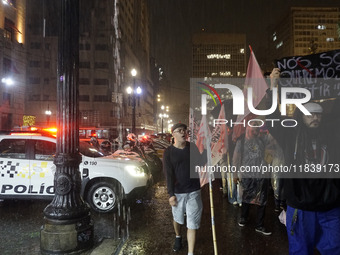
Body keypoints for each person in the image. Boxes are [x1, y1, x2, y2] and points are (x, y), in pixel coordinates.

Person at [267, 68, 340, 255]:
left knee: (334, 249)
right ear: (301, 115)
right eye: (310, 114)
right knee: (300, 251)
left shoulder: (332, 134)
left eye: (318, 114)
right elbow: (272, 118)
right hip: (301, 208)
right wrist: (273, 87)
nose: (315, 117)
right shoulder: (291, 134)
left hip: (330, 206)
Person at [163, 123, 206, 255]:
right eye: (180, 130)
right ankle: (178, 236)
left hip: (193, 190)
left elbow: (199, 163)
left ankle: (190, 252)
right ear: (173, 134)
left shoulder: (191, 147)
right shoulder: (168, 152)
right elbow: (168, 174)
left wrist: (207, 151)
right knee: (178, 219)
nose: (183, 132)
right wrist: (171, 194)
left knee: (192, 223)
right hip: (178, 192)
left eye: (184, 130)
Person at [233, 122, 272, 236]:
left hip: (261, 175)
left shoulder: (261, 141)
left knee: (262, 200)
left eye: (257, 130)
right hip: (247, 176)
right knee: (246, 198)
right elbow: (236, 159)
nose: (255, 132)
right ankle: (244, 217)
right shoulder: (241, 142)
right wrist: (235, 174)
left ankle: (259, 225)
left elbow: (268, 154)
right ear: (247, 129)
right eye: (253, 130)